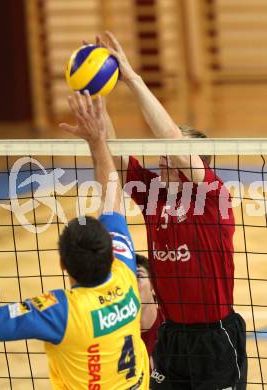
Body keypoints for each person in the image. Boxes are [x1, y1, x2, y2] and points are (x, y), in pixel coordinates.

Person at [0, 91, 149, 390]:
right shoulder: (126, 274)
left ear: (64, 264)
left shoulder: (61, 312)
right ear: (110, 253)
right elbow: (112, 197)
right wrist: (97, 140)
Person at [97, 31, 247, 389]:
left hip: (215, 338)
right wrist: (97, 101)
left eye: (169, 148)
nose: (162, 155)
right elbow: (113, 151)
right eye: (161, 148)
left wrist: (132, 79)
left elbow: (179, 149)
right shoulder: (154, 195)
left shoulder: (213, 197)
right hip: (171, 335)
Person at [136, 253, 163, 358]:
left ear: (153, 284)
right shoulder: (114, 335)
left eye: (138, 276)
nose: (131, 284)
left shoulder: (173, 326)